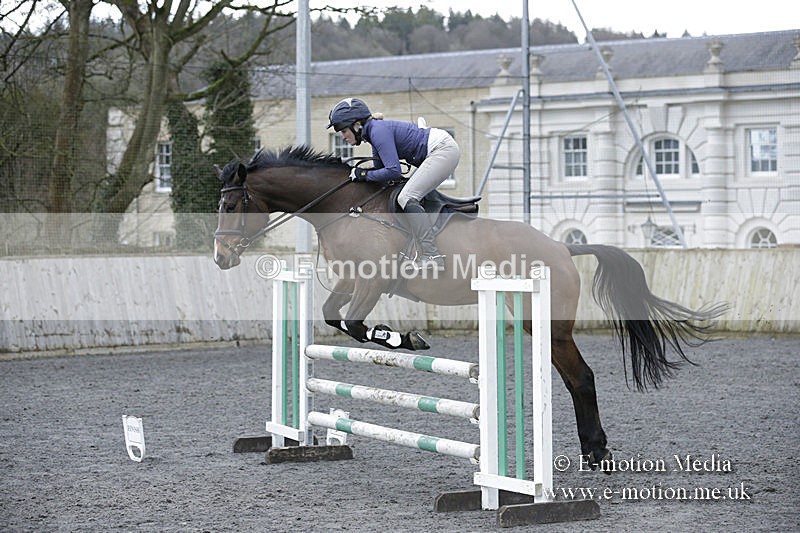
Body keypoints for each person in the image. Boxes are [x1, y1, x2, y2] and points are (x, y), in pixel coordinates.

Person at [326, 97, 459, 271]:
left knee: (407, 196)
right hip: (436, 150)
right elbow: (383, 175)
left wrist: (363, 174)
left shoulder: (377, 131)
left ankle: (432, 255)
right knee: (402, 193)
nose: (343, 136)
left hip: (442, 150)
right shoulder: (373, 133)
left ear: (357, 124)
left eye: (343, 130)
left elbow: (393, 171)